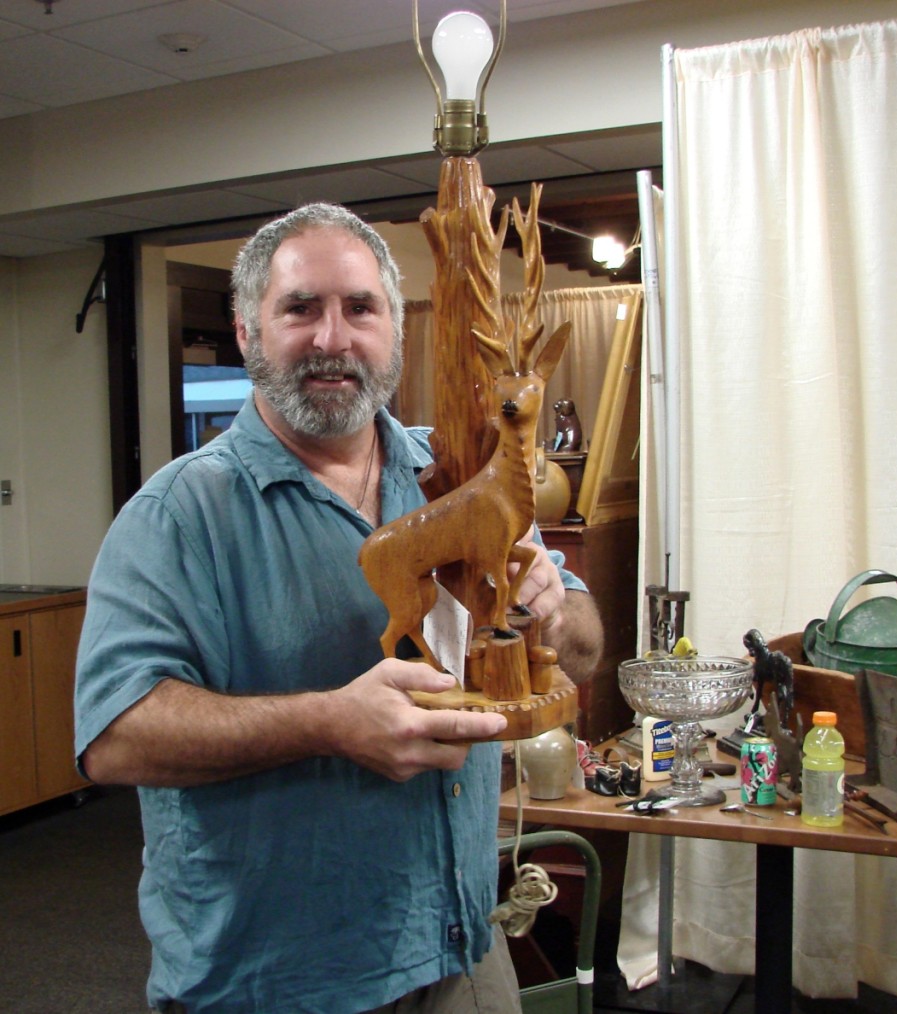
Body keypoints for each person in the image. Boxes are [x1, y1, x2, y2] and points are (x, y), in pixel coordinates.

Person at [74, 202, 603, 1014]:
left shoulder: (463, 469)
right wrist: (329, 722)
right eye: (300, 309)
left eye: (360, 308)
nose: (332, 339)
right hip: (278, 983)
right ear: (249, 333)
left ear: (393, 329)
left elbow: (586, 650)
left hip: (463, 951)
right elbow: (113, 738)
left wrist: (555, 615)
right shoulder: (180, 515)